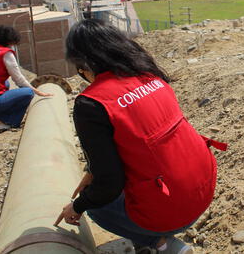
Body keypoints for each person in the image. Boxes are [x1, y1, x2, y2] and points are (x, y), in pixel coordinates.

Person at [54, 19, 225, 254]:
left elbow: (109, 185)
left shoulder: (92, 104)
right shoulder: (150, 76)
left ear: (86, 64)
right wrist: (92, 170)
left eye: (80, 70)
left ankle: (162, 245)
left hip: (173, 210)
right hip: (203, 191)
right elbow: (142, 138)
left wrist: (78, 205)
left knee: (96, 206)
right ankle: (155, 233)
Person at [0, 25, 51, 129]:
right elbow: (19, 79)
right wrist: (37, 92)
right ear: (10, 41)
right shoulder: (5, 54)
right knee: (28, 93)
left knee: (5, 83)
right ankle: (7, 121)